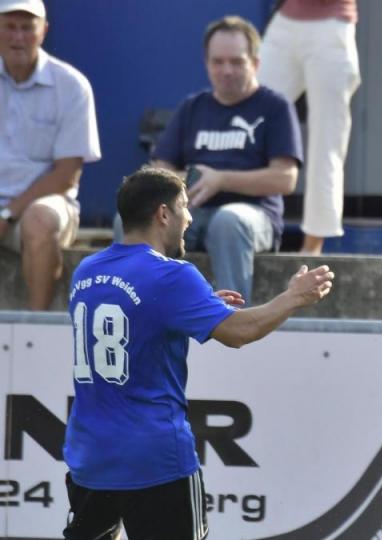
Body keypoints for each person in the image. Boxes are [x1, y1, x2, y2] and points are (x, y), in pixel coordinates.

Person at [63, 167, 335, 539]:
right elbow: (241, 332)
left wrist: (198, 308)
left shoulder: (86, 271)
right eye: (184, 207)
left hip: (90, 456)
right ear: (163, 214)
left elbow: (139, 319)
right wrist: (294, 297)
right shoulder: (173, 276)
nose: (189, 218)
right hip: (155, 460)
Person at [145, 15, 303, 302]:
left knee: (227, 222)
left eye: (236, 61)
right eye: (218, 62)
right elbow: (160, 167)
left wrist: (221, 180)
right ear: (207, 64)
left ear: (255, 63)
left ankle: (234, 322)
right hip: (191, 212)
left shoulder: (275, 107)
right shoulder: (192, 107)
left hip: (253, 216)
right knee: (133, 219)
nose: (226, 70)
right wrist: (185, 181)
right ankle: (144, 311)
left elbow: (286, 178)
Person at [0, 0, 100, 310]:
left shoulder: (72, 85)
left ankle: (35, 327)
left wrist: (7, 214)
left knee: (40, 220)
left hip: (42, 207)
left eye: (27, 27)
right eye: (10, 26)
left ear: (44, 31)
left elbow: (67, 174)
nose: (18, 37)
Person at [258, 0, 361, 254]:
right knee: (250, 115)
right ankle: (239, 222)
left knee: (327, 141)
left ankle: (312, 248)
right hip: (285, 22)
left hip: (333, 25)